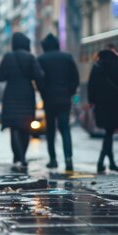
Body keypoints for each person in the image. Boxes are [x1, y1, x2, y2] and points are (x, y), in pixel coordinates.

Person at [0, 32, 44, 169]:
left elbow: (0, 77)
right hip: (27, 96)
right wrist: (43, 92)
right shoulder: (30, 58)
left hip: (11, 95)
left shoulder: (7, 57)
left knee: (14, 128)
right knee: (26, 128)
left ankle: (18, 157)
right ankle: (22, 156)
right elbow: (38, 76)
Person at [37, 33, 79, 171]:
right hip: (64, 99)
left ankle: (53, 159)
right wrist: (70, 93)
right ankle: (68, 159)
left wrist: (44, 95)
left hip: (49, 100)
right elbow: (75, 78)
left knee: (50, 131)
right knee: (65, 129)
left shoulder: (41, 59)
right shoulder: (67, 57)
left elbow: (39, 81)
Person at [87, 47, 118, 174]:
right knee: (109, 132)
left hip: (101, 105)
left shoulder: (97, 67)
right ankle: (106, 163)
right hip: (115, 104)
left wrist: (93, 101)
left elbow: (91, 86)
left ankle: (104, 162)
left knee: (108, 133)